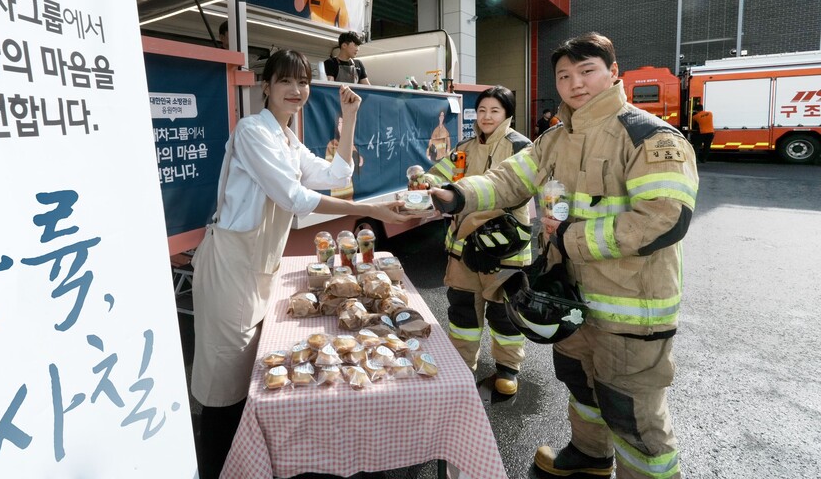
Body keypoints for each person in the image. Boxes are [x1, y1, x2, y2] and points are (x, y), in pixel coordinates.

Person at [430, 33, 698, 479]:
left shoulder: (648, 136)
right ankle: (590, 456)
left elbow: (663, 219)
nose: (575, 83)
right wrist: (457, 195)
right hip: (568, 297)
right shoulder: (554, 139)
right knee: (581, 383)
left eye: (587, 71)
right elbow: (508, 180)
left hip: (632, 309)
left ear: (613, 72)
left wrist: (571, 238)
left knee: (633, 416)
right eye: (564, 75)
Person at [191, 49, 409, 478]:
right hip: (230, 267)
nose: (296, 90)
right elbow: (294, 197)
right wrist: (374, 210)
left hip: (258, 266)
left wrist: (350, 119)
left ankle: (247, 464)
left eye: (303, 82)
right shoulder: (253, 132)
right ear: (266, 86)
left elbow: (337, 176)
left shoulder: (288, 140)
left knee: (252, 377)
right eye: (286, 81)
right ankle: (214, 467)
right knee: (224, 383)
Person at [426, 86, 533, 398]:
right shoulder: (464, 147)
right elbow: (441, 173)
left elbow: (525, 190)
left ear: (507, 114)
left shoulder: (521, 147)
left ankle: (508, 368)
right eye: (482, 110)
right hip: (463, 246)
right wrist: (427, 181)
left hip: (505, 247)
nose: (487, 116)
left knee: (505, 312)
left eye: (494, 111)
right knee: (463, 310)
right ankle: (463, 366)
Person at [324, 114, 363, 200]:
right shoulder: (332, 144)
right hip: (337, 194)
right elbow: (329, 167)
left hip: (349, 191)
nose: (341, 126)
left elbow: (359, 163)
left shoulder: (351, 145)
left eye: (344, 123)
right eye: (339, 123)